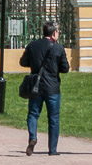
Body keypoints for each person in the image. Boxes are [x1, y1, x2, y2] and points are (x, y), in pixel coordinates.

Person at [19, 20, 70, 156]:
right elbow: (65, 68)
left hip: (35, 86)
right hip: (52, 87)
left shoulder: (32, 45)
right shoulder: (58, 48)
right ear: (54, 33)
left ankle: (33, 137)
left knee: (33, 114)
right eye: (58, 32)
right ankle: (52, 149)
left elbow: (23, 62)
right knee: (53, 117)